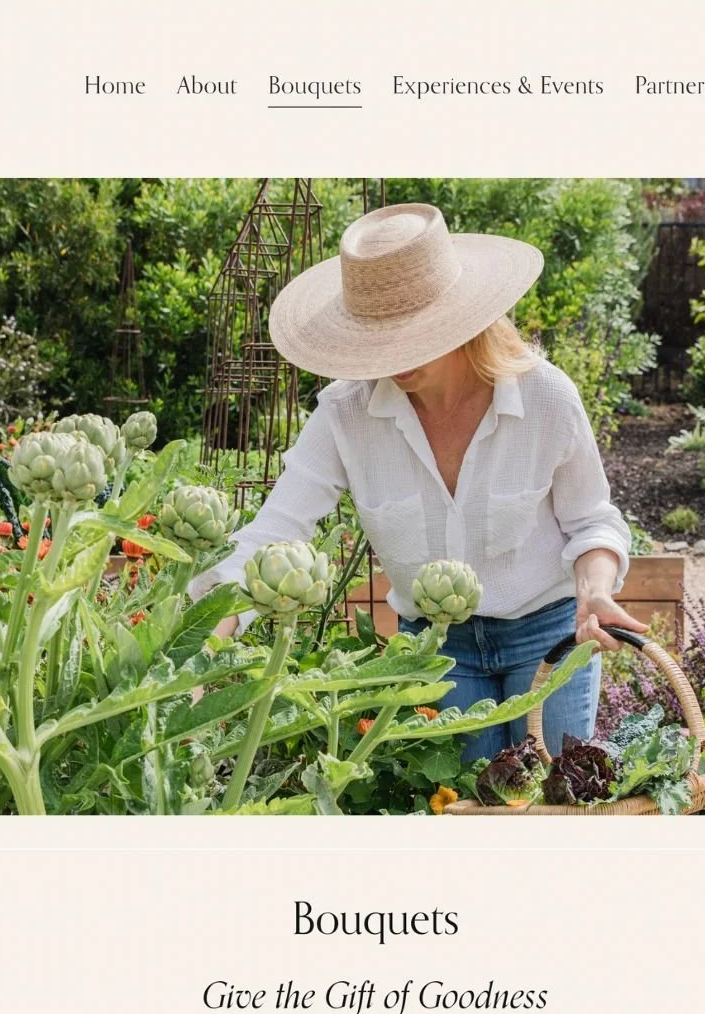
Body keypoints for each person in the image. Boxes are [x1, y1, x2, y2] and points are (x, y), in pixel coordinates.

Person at [197, 202, 645, 756]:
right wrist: (206, 645)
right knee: (466, 810)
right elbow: (276, 532)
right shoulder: (345, 413)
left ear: (460, 315)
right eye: (376, 335)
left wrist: (594, 591)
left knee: (556, 804)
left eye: (411, 333)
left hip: (547, 635)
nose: (394, 356)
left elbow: (592, 521)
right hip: (436, 648)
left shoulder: (545, 397)